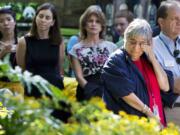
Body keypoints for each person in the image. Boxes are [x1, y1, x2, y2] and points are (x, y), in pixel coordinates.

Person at [102, 19, 174, 127]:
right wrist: (149, 113)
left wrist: (153, 59)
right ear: (125, 39)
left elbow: (165, 86)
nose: (136, 48)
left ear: (148, 43)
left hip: (154, 122)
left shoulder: (147, 59)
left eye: (141, 43)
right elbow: (126, 93)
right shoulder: (116, 60)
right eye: (132, 41)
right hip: (130, 125)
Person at [69, 5, 117, 101]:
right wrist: (92, 91)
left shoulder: (112, 47)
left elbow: (116, 73)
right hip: (86, 90)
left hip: (108, 91)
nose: (93, 24)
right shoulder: (76, 49)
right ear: (84, 25)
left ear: (102, 26)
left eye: (97, 21)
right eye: (90, 21)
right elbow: (79, 76)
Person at [16, 3, 64, 97]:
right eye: (41, 16)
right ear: (35, 18)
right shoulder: (23, 42)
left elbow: (59, 67)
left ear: (53, 22)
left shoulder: (59, 42)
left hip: (55, 90)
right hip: (34, 89)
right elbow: (22, 69)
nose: (43, 20)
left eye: (47, 18)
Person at [153, 0, 180, 125]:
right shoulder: (150, 46)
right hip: (170, 110)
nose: (179, 22)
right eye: (174, 18)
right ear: (161, 22)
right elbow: (161, 83)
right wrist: (171, 83)